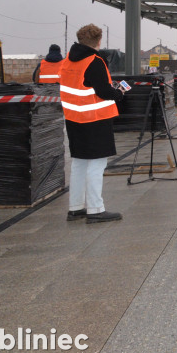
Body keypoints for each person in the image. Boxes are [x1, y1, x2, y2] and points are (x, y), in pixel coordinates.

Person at [59, 24, 126, 224]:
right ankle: (96, 209)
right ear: (98, 41)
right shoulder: (95, 61)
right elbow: (103, 91)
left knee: (79, 163)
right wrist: (119, 93)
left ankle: (75, 207)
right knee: (97, 164)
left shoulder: (68, 62)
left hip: (74, 119)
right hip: (94, 118)